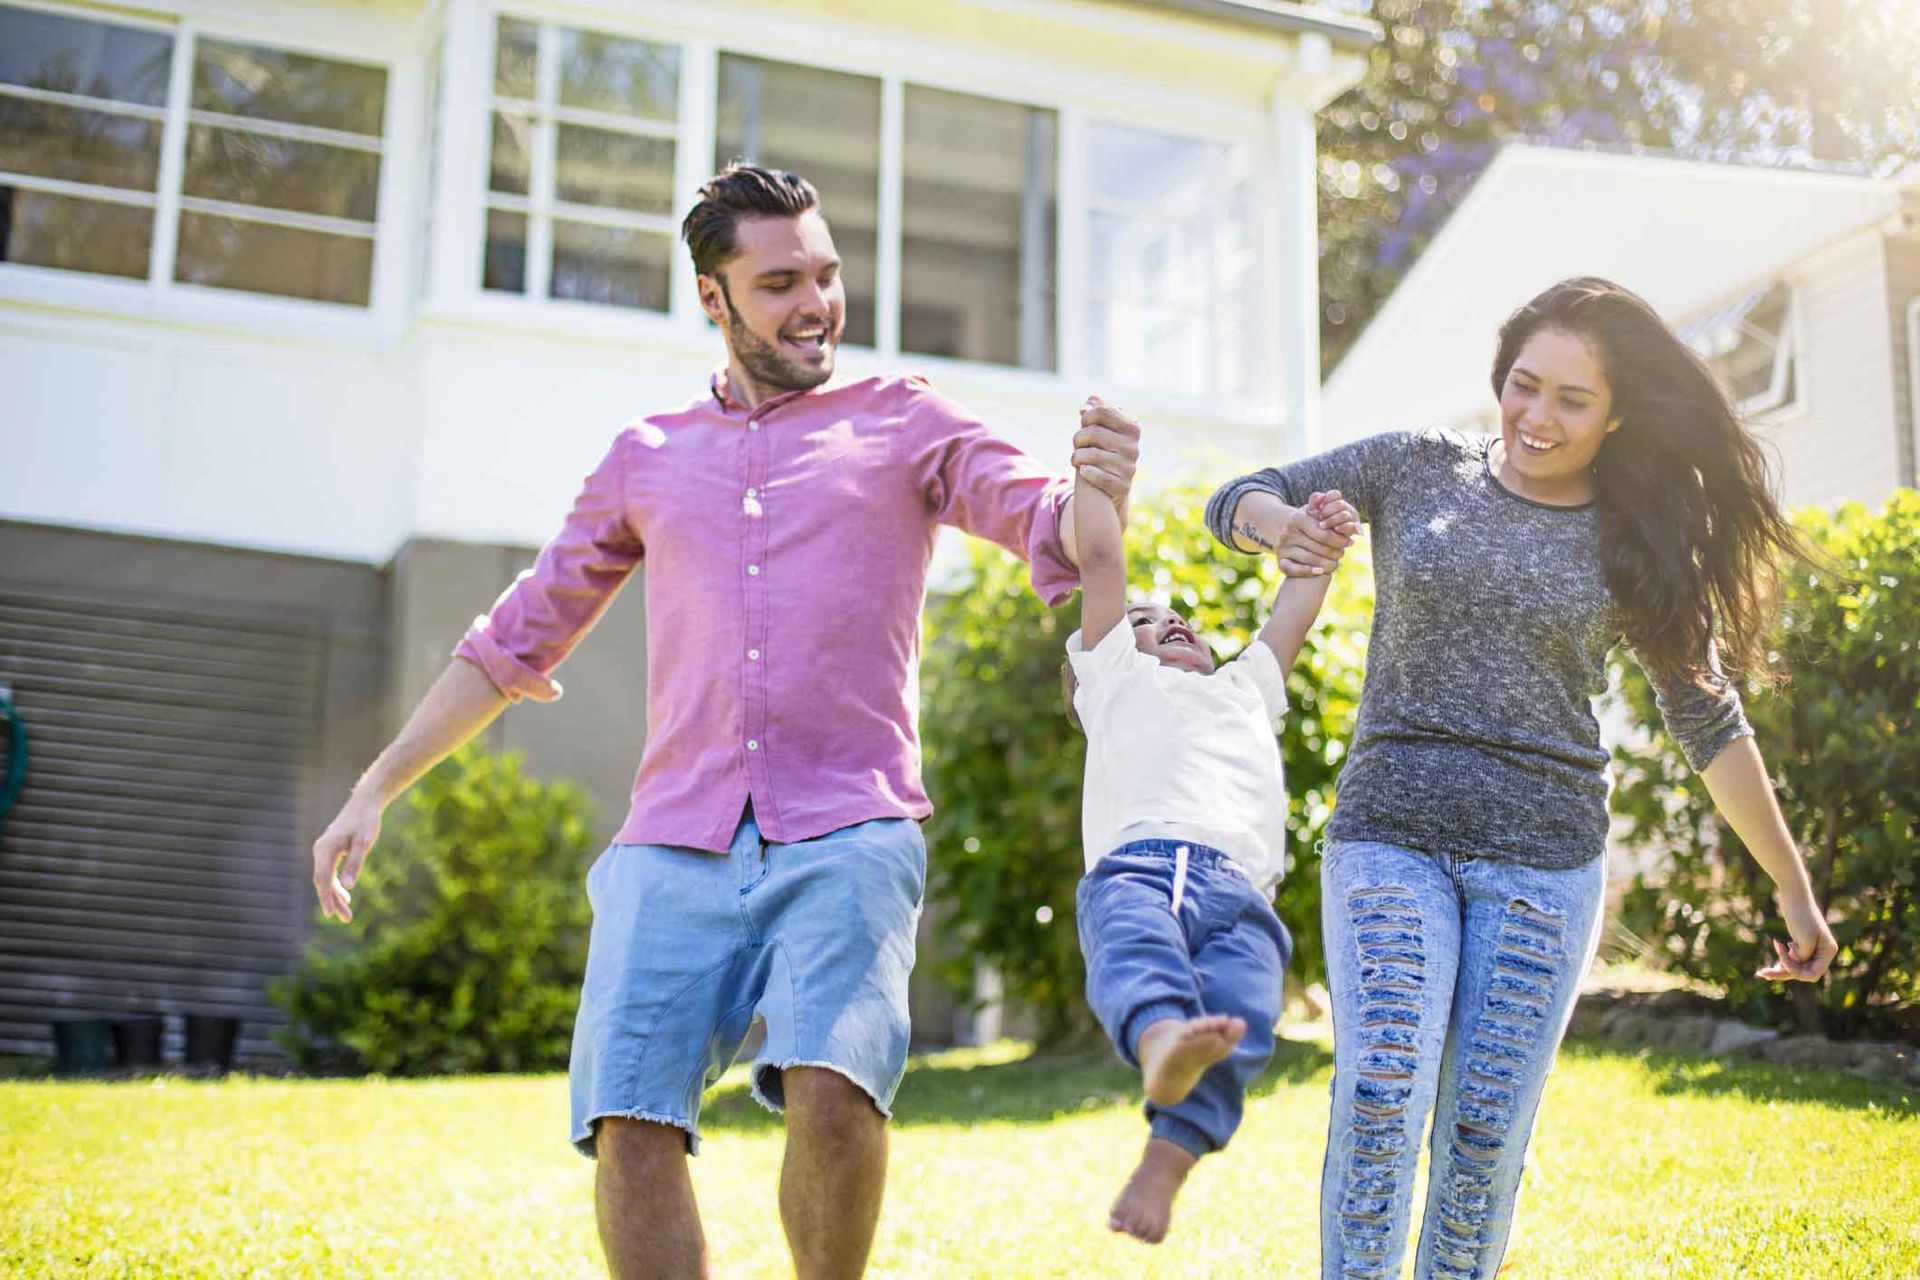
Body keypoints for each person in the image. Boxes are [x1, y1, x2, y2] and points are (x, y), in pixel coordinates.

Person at [309, 162, 1142, 1280]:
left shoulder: (905, 420)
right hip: (675, 835)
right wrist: (375, 786)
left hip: (851, 823)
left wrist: (1099, 490)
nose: (818, 303)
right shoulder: (645, 455)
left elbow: (1051, 525)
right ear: (715, 298)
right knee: (628, 1116)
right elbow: (514, 638)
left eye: (829, 274)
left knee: (835, 1091)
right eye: (781, 281)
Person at [1204, 277, 1839, 1280]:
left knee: (1482, 1140)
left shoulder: (1635, 540)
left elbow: (1706, 716)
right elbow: (1235, 496)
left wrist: (1794, 890)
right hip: (1390, 831)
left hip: (1543, 865)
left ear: (1617, 412)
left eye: (1571, 400)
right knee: (1381, 1089)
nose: (1537, 416)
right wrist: (1282, 524)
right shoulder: (1415, 466)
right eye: (1523, 385)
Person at [1065, 403, 1358, 1244]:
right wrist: (1097, 480)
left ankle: (1168, 1157)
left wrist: (1317, 534)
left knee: (1240, 1018)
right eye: (1146, 622)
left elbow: (1299, 598)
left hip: (1241, 894)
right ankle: (1158, 1039)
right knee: (1137, 954)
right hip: (1141, 870)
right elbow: (1100, 554)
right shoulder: (1116, 681)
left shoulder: (1242, 689)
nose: (1168, 622)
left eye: (1174, 616)